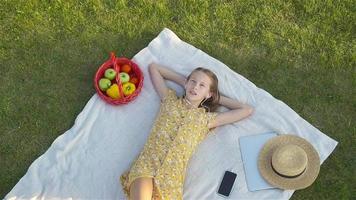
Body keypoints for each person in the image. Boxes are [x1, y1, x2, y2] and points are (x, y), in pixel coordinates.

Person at [120, 62, 254, 200]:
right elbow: (154, 68)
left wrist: (214, 97)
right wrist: (185, 82)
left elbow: (246, 110)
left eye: (202, 85)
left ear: (209, 94)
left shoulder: (206, 119)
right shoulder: (169, 100)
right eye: (193, 82)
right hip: (147, 166)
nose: (195, 87)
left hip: (171, 180)